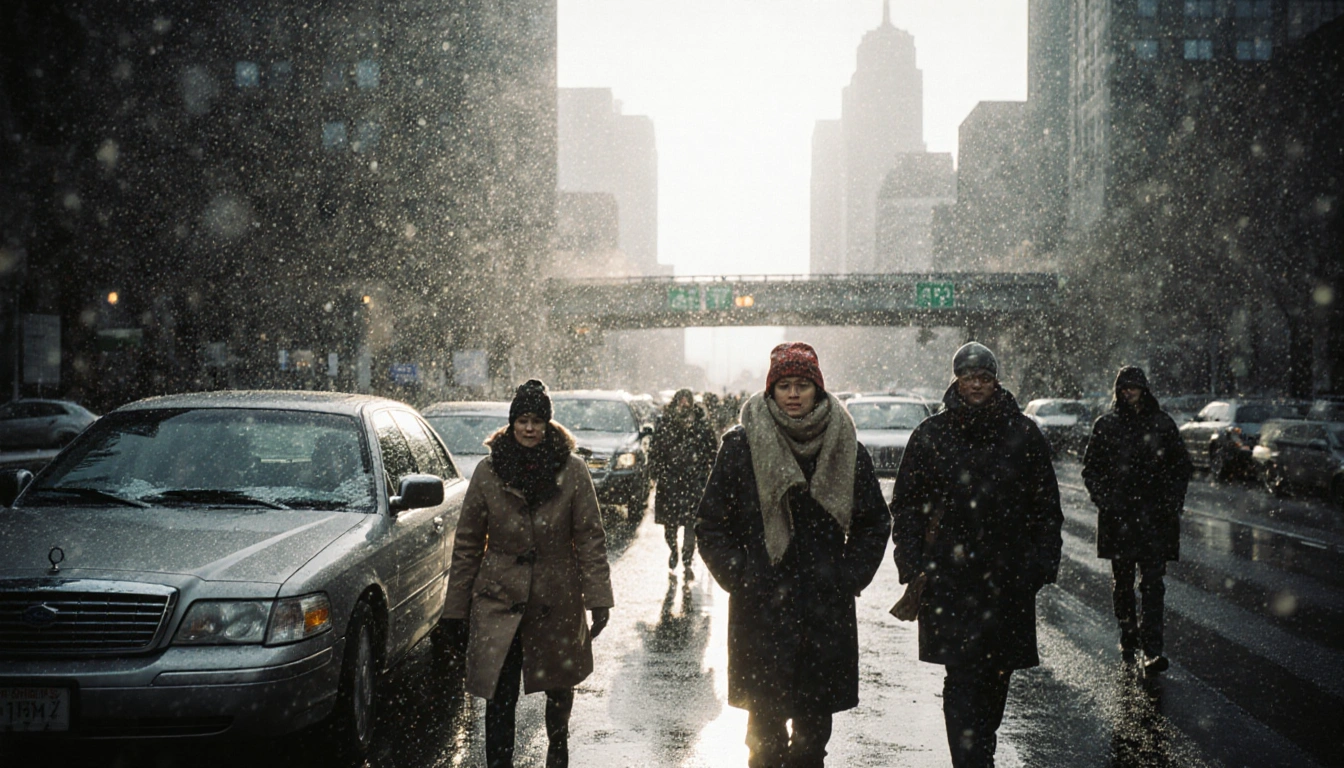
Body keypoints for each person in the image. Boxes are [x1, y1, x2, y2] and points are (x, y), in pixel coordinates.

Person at [696, 342, 891, 768]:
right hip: (761, 611)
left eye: (803, 385)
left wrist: (846, 576)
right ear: (771, 391)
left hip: (824, 612)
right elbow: (710, 525)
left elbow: (874, 522)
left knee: (811, 743)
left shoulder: (845, 446)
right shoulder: (741, 447)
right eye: (784, 385)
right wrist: (742, 576)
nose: (794, 394)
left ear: (818, 390)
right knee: (763, 742)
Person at [890, 342, 1063, 768]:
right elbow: (907, 505)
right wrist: (911, 565)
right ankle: (970, 760)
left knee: (996, 676)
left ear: (995, 380)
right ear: (957, 381)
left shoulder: (1023, 433)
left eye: (984, 377)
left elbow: (1045, 507)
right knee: (962, 678)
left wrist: (1040, 566)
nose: (977, 385)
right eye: (969, 378)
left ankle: (979, 747)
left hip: (1008, 581)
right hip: (949, 580)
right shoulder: (931, 435)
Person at [441, 379, 614, 768]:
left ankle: (558, 751)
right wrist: (455, 609)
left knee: (558, 690)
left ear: (549, 423)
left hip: (556, 598)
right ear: (512, 422)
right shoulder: (488, 471)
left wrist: (599, 598)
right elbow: (468, 544)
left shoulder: (572, 470)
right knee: (498, 695)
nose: (530, 428)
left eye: (537, 420)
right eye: (523, 419)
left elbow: (589, 537)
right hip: (499, 598)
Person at [1081, 366, 1192, 672]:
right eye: (1123, 387)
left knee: (1153, 585)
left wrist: (1170, 503)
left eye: (1133, 387)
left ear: (1144, 390)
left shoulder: (1161, 424)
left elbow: (1180, 467)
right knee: (1124, 584)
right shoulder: (1107, 425)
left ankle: (1152, 648)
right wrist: (1106, 501)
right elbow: (1091, 469)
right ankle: (1129, 636)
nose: (1128, 392)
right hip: (1121, 518)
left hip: (1155, 519)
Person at [649, 388, 718, 579]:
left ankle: (687, 560)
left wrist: (710, 475)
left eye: (688, 400)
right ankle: (673, 551)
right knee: (669, 527)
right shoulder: (665, 424)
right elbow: (655, 451)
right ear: (676, 402)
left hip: (694, 483)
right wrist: (657, 472)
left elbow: (713, 451)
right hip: (669, 484)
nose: (684, 404)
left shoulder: (702, 426)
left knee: (691, 525)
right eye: (681, 400)